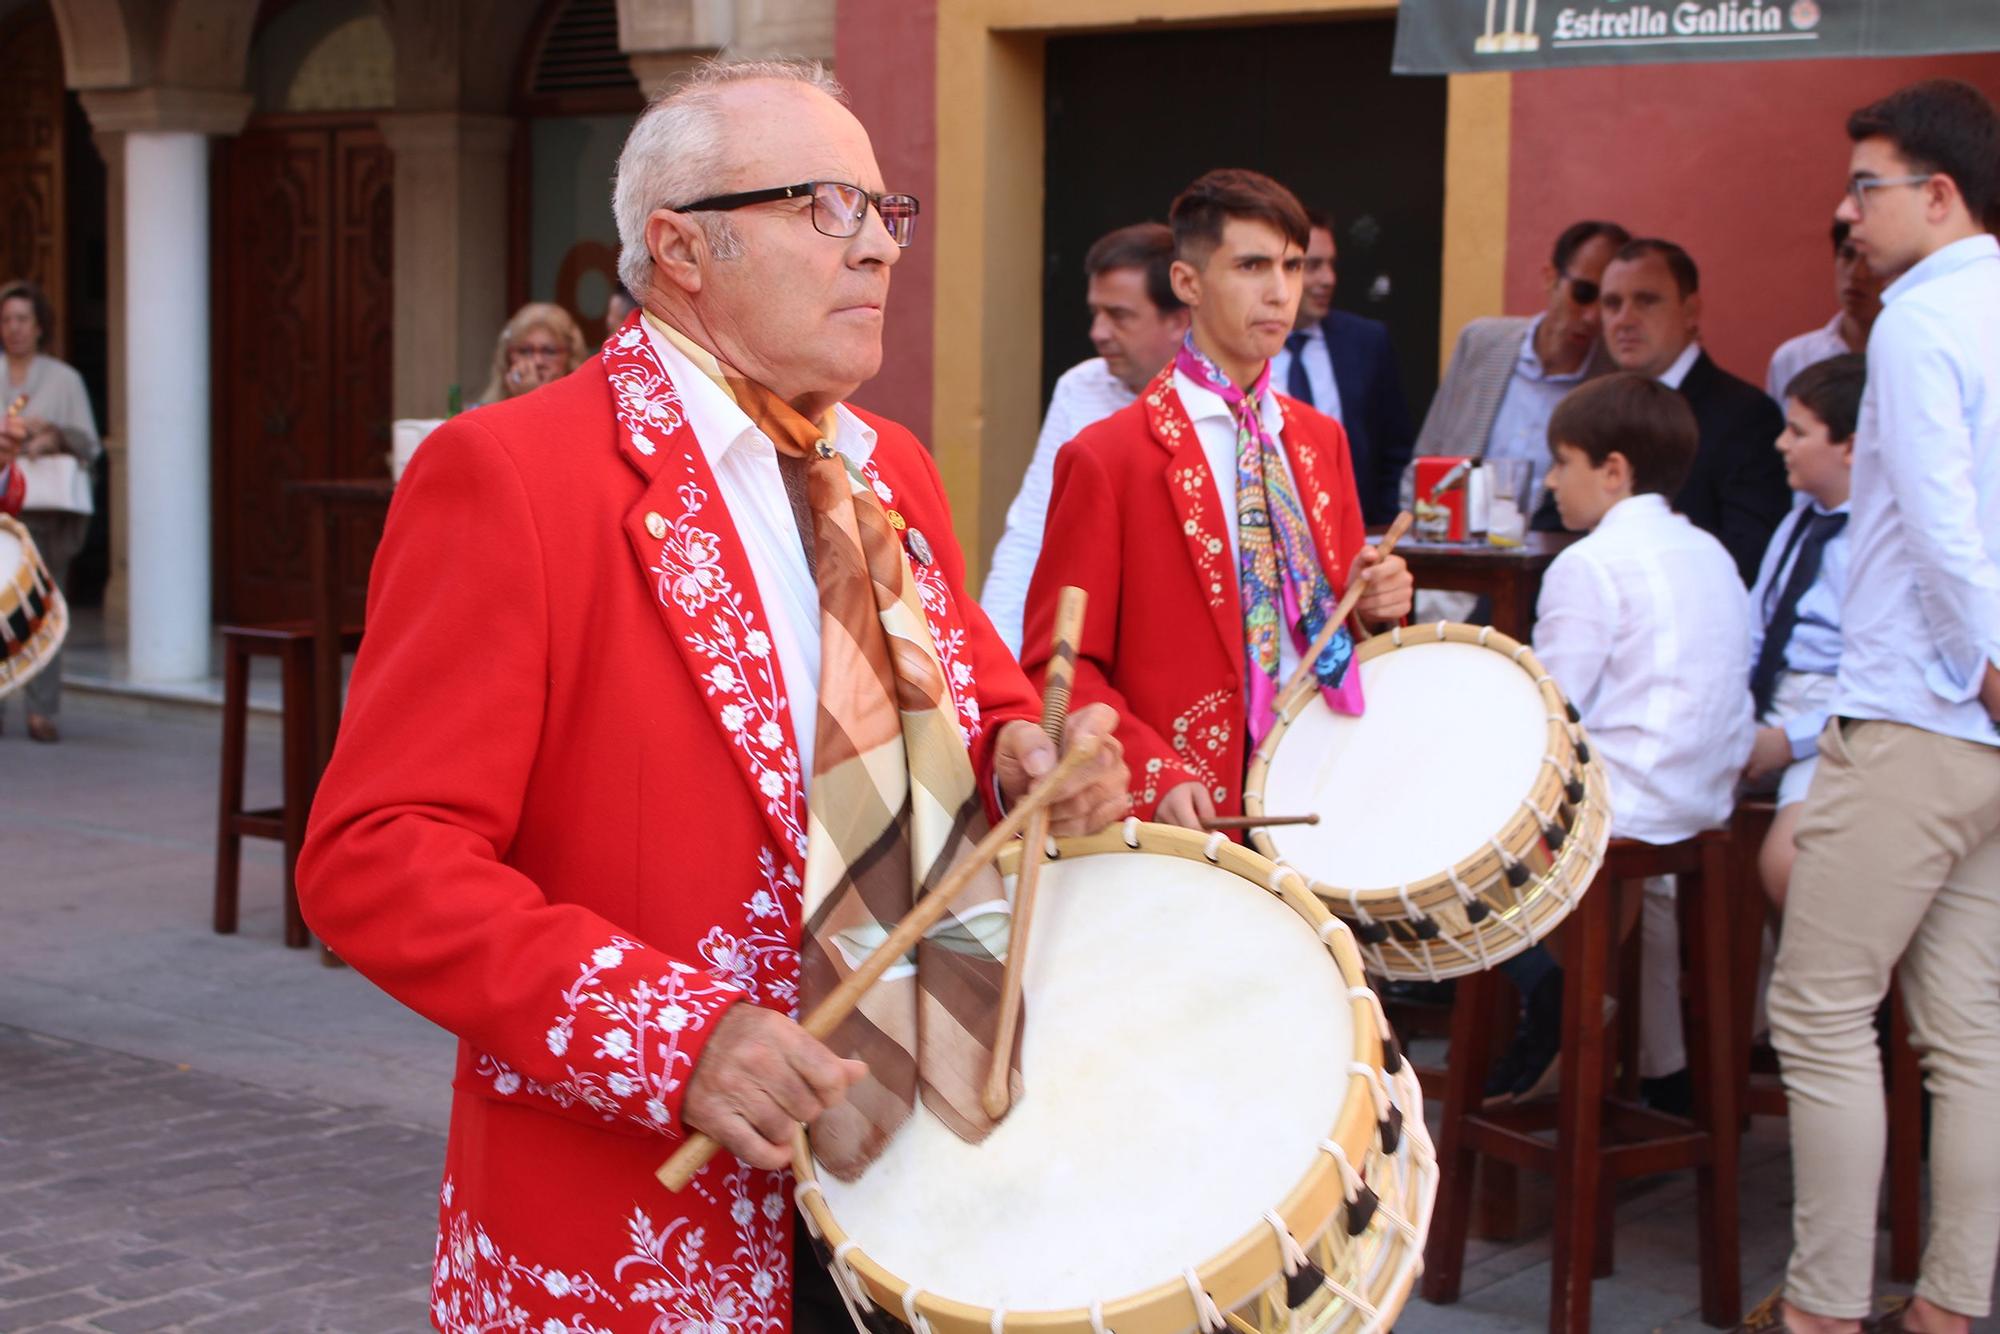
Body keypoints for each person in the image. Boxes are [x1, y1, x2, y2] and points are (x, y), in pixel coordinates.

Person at [297, 59, 1129, 1334]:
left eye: (883, 212)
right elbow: (374, 855)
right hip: (647, 1208)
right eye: (824, 207)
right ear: (682, 248)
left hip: (925, 1178)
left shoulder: (883, 461)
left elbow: (974, 686)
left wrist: (1027, 745)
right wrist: (672, 1036)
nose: (877, 252)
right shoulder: (513, 473)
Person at [1762, 79, 2000, 1334]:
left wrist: (1983, 658)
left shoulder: (1916, 319)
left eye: (1866, 185)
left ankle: (1818, 1312)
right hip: (1974, 727)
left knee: (1816, 1010)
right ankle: (1946, 1311)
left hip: (1921, 706)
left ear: (1937, 193)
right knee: (1967, 1030)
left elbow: (1944, 526)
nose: (1846, 212)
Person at [1022, 168, 1411, 830]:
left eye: (1292, 266)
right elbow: (1058, 669)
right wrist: (1151, 769)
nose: (1280, 291)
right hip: (1188, 821)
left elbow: (1342, 627)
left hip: (1322, 793)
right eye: (1253, 265)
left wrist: (1377, 604)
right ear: (1188, 284)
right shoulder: (1108, 457)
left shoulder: (1321, 441)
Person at [1484, 374, 1752, 1105]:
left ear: (1613, 471)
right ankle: (1583, 1009)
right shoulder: (1712, 553)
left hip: (1620, 814)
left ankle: (1553, 996)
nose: (1551, 481)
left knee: (1441, 819)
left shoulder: (1588, 563)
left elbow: (1547, 717)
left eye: (1561, 461)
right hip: (1699, 806)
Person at [981, 222, 1188, 654]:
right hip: (1087, 652)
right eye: (1097, 312)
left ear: (1179, 320)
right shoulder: (1080, 387)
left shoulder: (1236, 405)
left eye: (1120, 315)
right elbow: (1033, 530)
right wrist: (998, 663)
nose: (1098, 333)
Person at [1741, 355, 1862, 910]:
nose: (1781, 444)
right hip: (1762, 712)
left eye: (1798, 431)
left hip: (1831, 727)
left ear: (1851, 446)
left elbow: (1870, 683)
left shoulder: (1880, 543)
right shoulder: (1797, 522)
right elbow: (1754, 630)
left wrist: (1787, 741)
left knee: (1789, 864)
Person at [1598, 238, 1791, 584]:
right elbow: (1554, 527)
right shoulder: (1593, 411)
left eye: (1646, 301)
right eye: (1612, 304)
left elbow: (1749, 554)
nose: (1624, 320)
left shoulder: (1746, 417)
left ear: (1690, 311)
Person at [1414, 220, 1630, 511]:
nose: (1592, 316)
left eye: (1608, 302)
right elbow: (1427, 457)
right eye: (1583, 293)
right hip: (1455, 544)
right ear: (1550, 278)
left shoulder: (1614, 383)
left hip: (1552, 551)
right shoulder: (1482, 343)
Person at [0, 279, 100, 744]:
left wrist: (51, 435)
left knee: (41, 610)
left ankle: (42, 710)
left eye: (23, 319)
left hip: (44, 515)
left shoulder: (64, 379)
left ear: (40, 326)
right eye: (6, 320)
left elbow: (89, 444)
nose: (14, 329)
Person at [1270, 208, 1413, 524]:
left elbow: (1395, 450)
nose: (1328, 279)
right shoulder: (1243, 347)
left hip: (1353, 533)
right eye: (1313, 266)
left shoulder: (1366, 341)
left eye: (1332, 265)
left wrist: (1384, 525)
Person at [1764, 221, 1883, 404]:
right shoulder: (1793, 358)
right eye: (1847, 255)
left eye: (1871, 259)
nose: (1856, 273)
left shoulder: (1914, 356)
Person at [477, 301, 588, 404]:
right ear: (508, 355)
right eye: (525, 351)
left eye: (549, 351)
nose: (537, 361)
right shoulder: (482, 410)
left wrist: (533, 398)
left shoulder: (585, 406)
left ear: (571, 355)